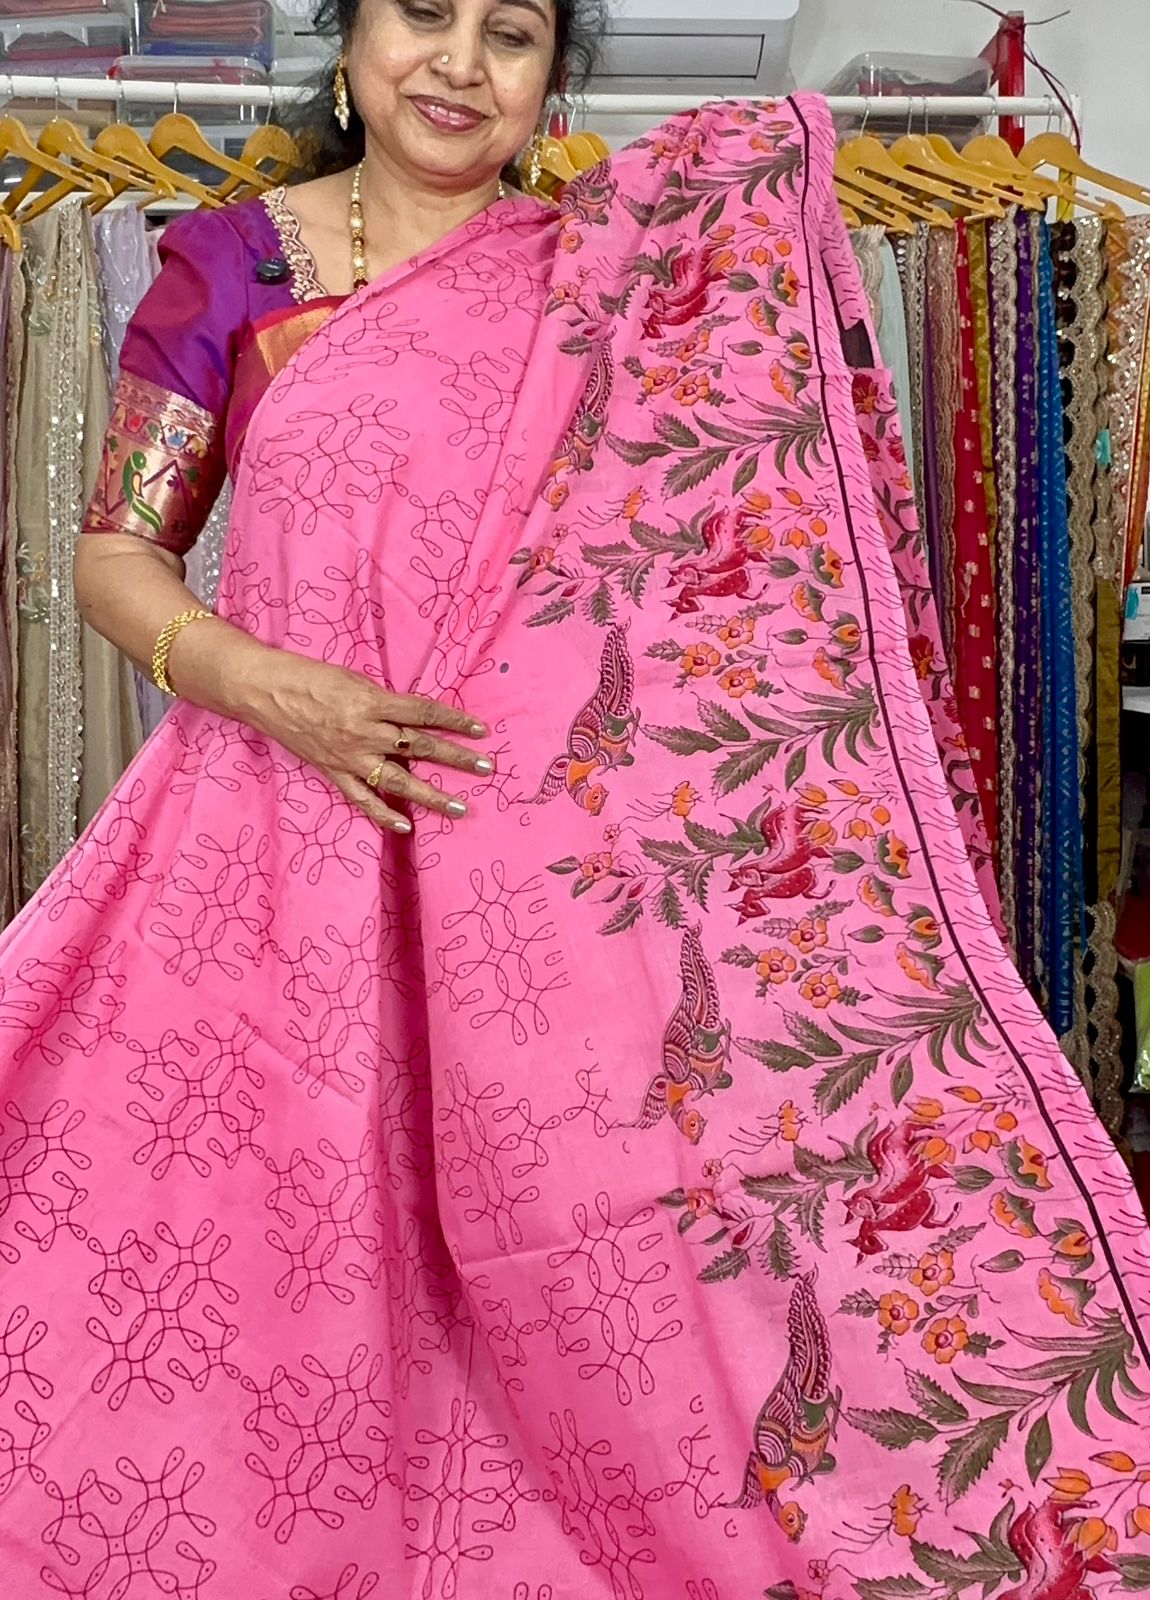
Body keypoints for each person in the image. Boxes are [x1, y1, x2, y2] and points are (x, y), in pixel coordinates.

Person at [3, 2, 1150, 1595]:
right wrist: (264, 684)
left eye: (512, 33)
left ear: (552, 79)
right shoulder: (228, 267)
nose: (458, 63)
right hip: (269, 830)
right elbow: (116, 554)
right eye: (422, 13)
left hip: (530, 869)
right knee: (247, 1241)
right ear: (349, 39)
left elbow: (700, 577)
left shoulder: (608, 283)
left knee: (575, 1245)